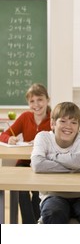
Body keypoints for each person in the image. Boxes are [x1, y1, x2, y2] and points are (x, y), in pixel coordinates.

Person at [31, 102, 80, 224]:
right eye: (63, 121)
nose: (68, 126)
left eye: (73, 122)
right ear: (52, 123)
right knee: (54, 214)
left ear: (78, 127)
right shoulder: (43, 137)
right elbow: (37, 164)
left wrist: (51, 156)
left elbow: (77, 161)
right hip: (52, 194)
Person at [0, 83, 51, 224]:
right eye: (32, 101)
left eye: (40, 99)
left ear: (48, 100)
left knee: (37, 192)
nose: (36, 104)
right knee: (21, 190)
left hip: (44, 164)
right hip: (24, 163)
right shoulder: (25, 117)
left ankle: (38, 223)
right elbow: (3, 135)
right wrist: (9, 138)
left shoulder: (53, 118)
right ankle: (29, 225)